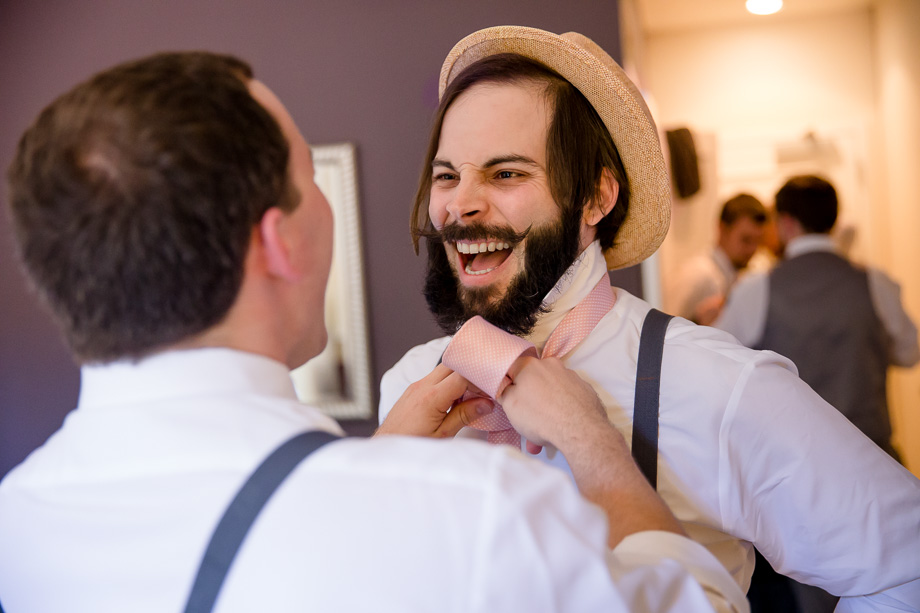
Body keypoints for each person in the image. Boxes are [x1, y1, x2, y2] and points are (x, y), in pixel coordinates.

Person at [0, 51, 748, 613]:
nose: (453, 206)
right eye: (310, 183)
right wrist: (596, 448)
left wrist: (383, 466)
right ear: (278, 242)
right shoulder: (475, 513)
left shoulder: (16, 526)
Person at [378, 25, 920, 611]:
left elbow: (907, 568)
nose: (460, 203)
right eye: (447, 175)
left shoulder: (720, 387)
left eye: (506, 173)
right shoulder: (406, 390)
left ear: (595, 198)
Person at [716, 175, 920, 460]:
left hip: (793, 466)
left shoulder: (756, 289)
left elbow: (719, 363)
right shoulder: (875, 283)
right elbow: (910, 353)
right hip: (874, 460)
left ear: (785, 222)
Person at [670, 194, 767, 325]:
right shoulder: (697, 274)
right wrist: (697, 320)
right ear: (722, 229)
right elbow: (661, 330)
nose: (752, 249)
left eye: (758, 241)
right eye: (746, 239)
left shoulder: (740, 275)